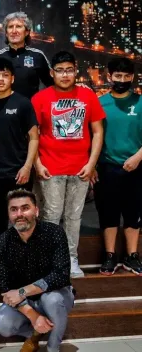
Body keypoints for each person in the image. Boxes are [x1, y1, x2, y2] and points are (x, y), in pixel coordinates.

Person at [32, 51, 105, 278]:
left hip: (80, 168)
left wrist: (92, 164)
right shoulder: (40, 98)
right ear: (52, 73)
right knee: (51, 215)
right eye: (60, 70)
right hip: (50, 167)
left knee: (74, 216)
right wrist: (37, 164)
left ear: (76, 71)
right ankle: (50, 259)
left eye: (69, 70)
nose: (65, 75)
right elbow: (32, 135)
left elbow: (97, 132)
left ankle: (71, 258)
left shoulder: (88, 96)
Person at [0, 189, 74, 352]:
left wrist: (23, 291)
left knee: (51, 300)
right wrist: (33, 315)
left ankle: (53, 348)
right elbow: (4, 286)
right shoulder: (2, 242)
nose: (19, 214)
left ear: (36, 211)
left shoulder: (54, 233)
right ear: (9, 214)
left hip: (56, 294)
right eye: (14, 209)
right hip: (24, 302)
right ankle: (38, 332)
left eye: (25, 208)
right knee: (3, 324)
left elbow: (61, 276)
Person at [0, 57, 39, 278]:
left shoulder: (23, 103)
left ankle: (25, 261)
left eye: (5, 75)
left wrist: (27, 167)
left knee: (23, 219)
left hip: (20, 173)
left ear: (12, 78)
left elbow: (34, 138)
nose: (1, 79)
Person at [94, 58, 142, 276]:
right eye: (117, 76)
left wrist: (138, 157)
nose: (121, 80)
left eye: (126, 77)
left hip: (137, 165)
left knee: (133, 213)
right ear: (109, 76)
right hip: (107, 166)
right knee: (108, 213)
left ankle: (132, 256)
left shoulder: (140, 102)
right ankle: (110, 255)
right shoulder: (99, 103)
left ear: (132, 77)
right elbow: (92, 137)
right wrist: (93, 165)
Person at [0, 12, 53, 101]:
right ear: (6, 33)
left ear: (27, 32)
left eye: (18, 26)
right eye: (10, 27)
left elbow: (52, 85)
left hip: (31, 111)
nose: (14, 31)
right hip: (3, 111)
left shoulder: (38, 56)